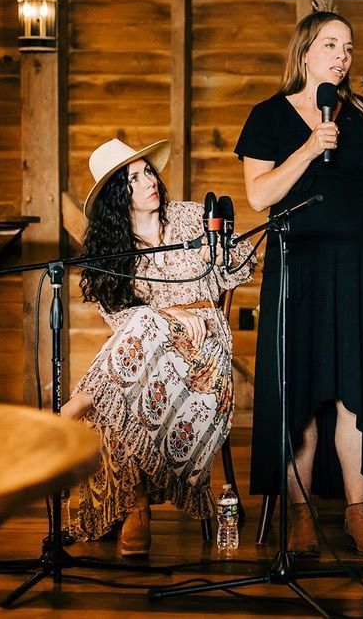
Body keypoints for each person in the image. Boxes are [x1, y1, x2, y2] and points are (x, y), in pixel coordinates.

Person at [236, 11, 363, 556]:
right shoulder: (268, 115)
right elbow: (259, 196)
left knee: (354, 391)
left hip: (353, 268)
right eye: (331, 44)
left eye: (349, 47)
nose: (342, 56)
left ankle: (358, 512)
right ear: (305, 51)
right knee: (301, 392)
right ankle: (301, 513)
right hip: (297, 269)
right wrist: (310, 147)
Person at [62, 138, 256, 556]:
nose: (149, 181)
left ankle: (76, 407)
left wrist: (219, 252)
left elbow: (244, 260)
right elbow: (122, 323)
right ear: (116, 196)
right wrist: (169, 316)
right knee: (139, 339)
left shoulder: (190, 217)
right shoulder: (111, 251)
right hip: (147, 362)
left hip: (205, 350)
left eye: (147, 171)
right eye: (134, 178)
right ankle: (137, 507)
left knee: (132, 351)